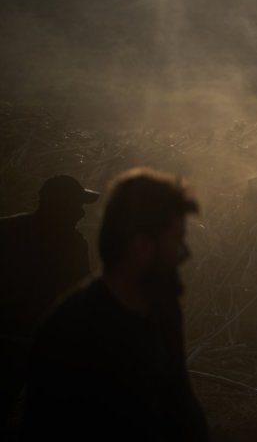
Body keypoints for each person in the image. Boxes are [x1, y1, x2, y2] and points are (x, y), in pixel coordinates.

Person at [21, 168, 209, 442]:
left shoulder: (162, 309)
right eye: (177, 239)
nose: (185, 253)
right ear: (142, 248)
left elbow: (180, 400)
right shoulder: (66, 334)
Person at [0, 174, 99, 424]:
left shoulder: (6, 229)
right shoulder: (73, 246)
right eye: (77, 205)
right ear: (61, 208)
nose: (81, 213)